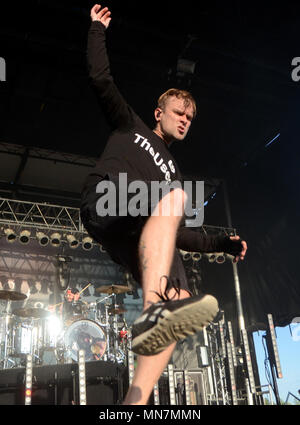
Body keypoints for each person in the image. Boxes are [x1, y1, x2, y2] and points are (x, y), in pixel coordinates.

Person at [80, 5, 247, 405]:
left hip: (134, 232)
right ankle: (152, 308)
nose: (186, 119)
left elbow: (181, 232)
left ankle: (133, 402)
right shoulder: (132, 126)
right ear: (159, 113)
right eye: (178, 112)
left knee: (179, 295)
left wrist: (222, 243)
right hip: (106, 201)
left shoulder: (172, 170)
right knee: (174, 198)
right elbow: (101, 79)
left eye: (190, 116)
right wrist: (97, 30)